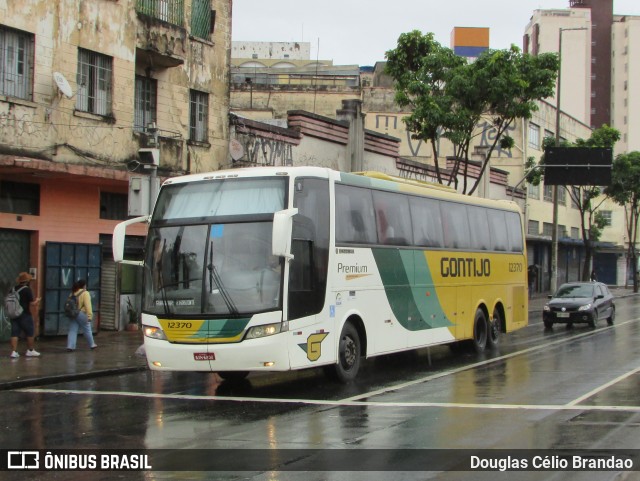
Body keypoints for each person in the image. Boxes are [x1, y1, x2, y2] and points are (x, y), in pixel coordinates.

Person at [9, 272, 41, 358]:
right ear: (27, 281)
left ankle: (14, 352)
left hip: (13, 314)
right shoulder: (27, 289)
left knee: (14, 333)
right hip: (25, 314)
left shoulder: (13, 289)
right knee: (30, 332)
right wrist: (37, 300)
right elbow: (32, 303)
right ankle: (30, 350)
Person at [66, 279, 98, 351]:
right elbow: (88, 305)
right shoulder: (85, 293)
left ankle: (70, 346)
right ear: (84, 285)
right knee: (87, 328)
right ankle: (92, 344)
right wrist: (89, 316)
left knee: (72, 330)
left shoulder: (73, 293)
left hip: (73, 313)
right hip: (81, 313)